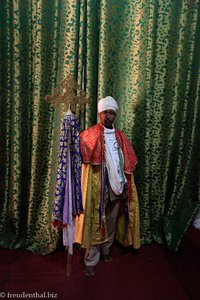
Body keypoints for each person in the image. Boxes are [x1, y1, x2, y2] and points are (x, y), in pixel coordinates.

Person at [75, 96, 140, 276]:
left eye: (111, 112)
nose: (108, 116)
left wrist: (126, 184)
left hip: (117, 186)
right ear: (99, 113)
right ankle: (91, 259)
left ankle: (106, 250)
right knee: (95, 221)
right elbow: (79, 153)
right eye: (105, 112)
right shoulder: (89, 135)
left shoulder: (121, 137)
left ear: (115, 114)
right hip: (98, 188)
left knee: (111, 220)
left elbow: (126, 163)